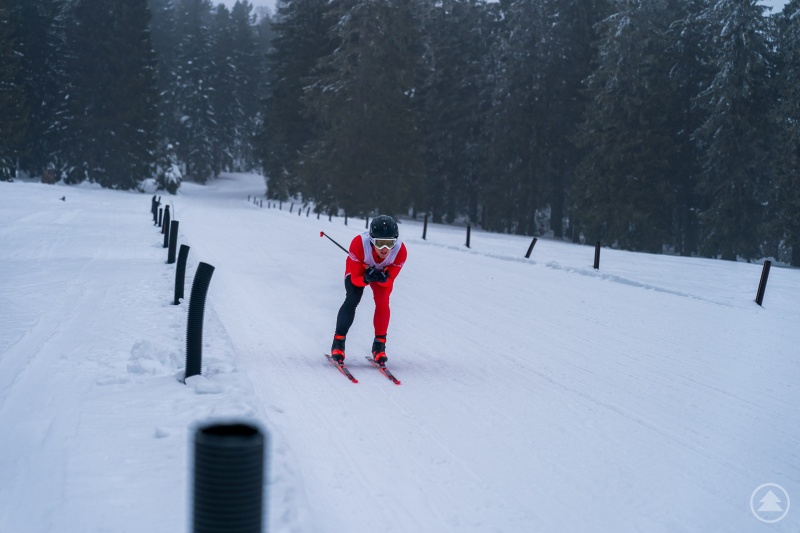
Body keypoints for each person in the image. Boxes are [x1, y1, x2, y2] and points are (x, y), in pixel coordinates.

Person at [331, 215, 407, 365]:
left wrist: (384, 279)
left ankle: (379, 346)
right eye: (380, 243)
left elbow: (389, 282)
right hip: (360, 270)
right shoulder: (359, 244)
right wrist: (366, 278)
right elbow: (355, 279)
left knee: (383, 301)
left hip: (383, 271)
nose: (385, 249)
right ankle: (338, 343)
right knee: (353, 297)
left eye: (389, 243)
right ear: (372, 241)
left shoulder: (400, 251)